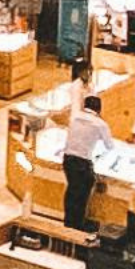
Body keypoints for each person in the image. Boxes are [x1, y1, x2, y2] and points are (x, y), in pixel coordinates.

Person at [56, 91, 109, 234]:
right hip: (82, 162)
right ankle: (78, 223)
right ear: (99, 109)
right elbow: (109, 146)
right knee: (83, 191)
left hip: (67, 159)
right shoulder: (100, 124)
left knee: (72, 189)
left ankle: (68, 220)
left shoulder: (74, 118)